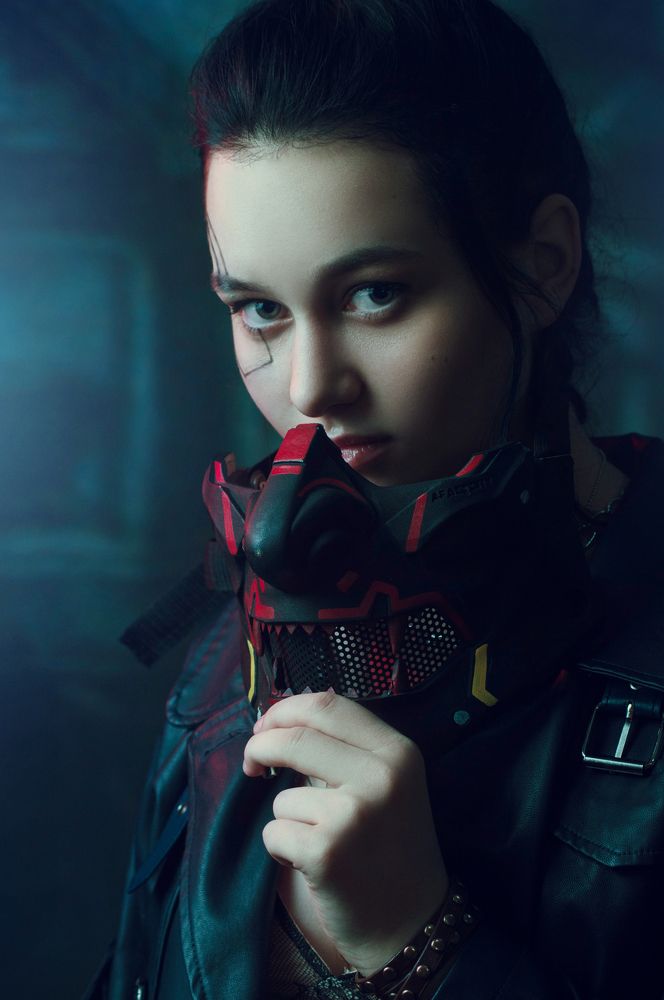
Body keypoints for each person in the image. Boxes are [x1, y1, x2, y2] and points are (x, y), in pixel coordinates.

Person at [84, 1, 664, 998]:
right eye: (259, 309)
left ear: (543, 265)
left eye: (375, 294)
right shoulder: (224, 661)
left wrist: (415, 941)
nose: (311, 387)